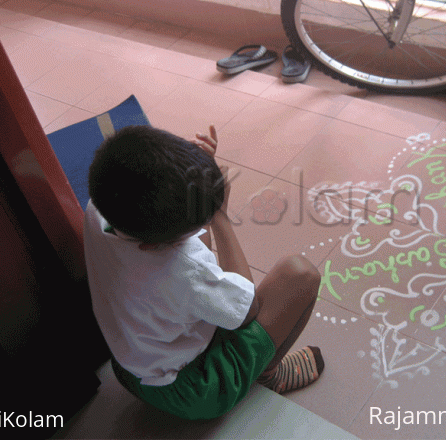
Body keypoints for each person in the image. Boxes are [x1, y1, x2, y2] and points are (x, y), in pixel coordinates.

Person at [84, 124, 324, 420]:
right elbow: (248, 310)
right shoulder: (183, 267)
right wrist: (220, 216)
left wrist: (192, 171)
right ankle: (268, 374)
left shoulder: (99, 206)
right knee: (300, 274)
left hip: (130, 366)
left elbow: (150, 183)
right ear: (152, 245)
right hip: (193, 391)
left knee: (202, 247)